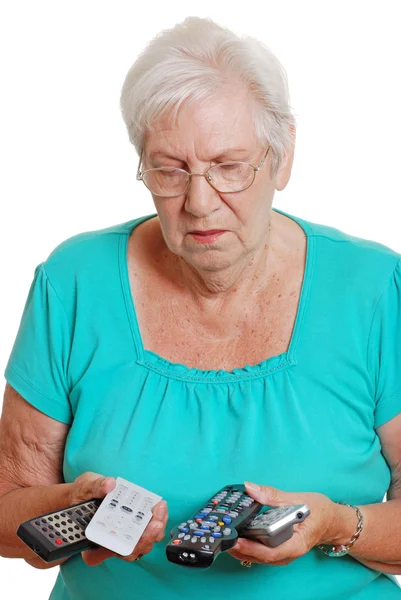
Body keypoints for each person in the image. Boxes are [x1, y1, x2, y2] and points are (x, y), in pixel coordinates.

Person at [1, 15, 401, 600]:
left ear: (282, 157)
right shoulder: (74, 282)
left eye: (229, 167)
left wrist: (336, 525)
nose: (198, 201)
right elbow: (5, 515)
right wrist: (75, 511)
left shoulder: (374, 288)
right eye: (169, 169)